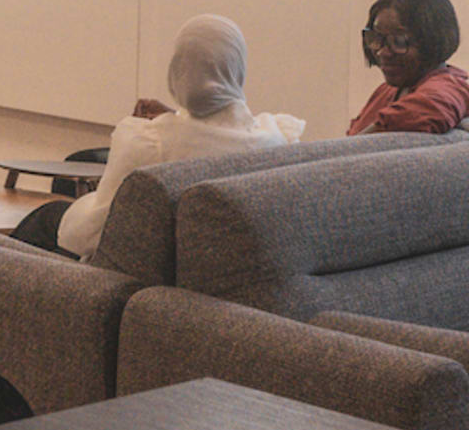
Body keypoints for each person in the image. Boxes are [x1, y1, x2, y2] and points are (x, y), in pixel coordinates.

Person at [33, 14, 303, 258]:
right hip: (205, 266)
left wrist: (160, 126)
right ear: (238, 68)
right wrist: (175, 116)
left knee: (49, 216)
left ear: (176, 69)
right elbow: (215, 134)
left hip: (135, 275)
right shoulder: (274, 140)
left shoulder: (150, 142)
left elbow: (85, 235)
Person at [348, 0, 469, 135]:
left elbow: (426, 110)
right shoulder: (387, 91)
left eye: (398, 41)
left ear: (431, 40)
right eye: (377, 38)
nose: (382, 52)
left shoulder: (450, 90)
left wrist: (348, 148)